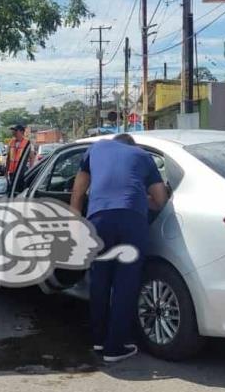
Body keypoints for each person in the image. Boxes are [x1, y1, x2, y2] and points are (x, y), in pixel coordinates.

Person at [70, 133, 170, 363]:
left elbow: (79, 190)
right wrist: (140, 199)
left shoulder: (95, 148)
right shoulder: (143, 156)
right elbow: (160, 199)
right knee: (126, 282)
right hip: (131, 221)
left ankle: (98, 339)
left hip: (98, 218)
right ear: (132, 145)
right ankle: (115, 347)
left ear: (116, 142)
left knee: (100, 280)